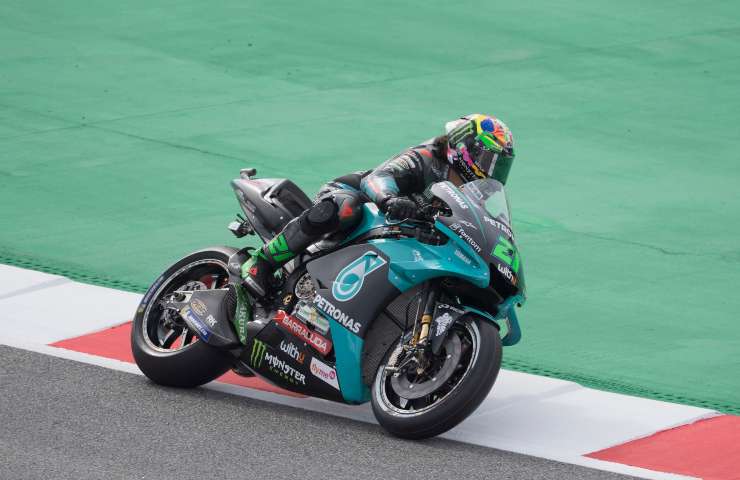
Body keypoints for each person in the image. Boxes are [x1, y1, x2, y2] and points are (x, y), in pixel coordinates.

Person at [240, 114, 516, 299]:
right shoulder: (426, 157)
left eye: (499, 166)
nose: (491, 170)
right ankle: (261, 262)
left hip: (398, 232)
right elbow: (378, 178)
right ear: (465, 146)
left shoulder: (470, 193)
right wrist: (390, 199)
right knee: (346, 208)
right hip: (358, 197)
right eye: (488, 159)